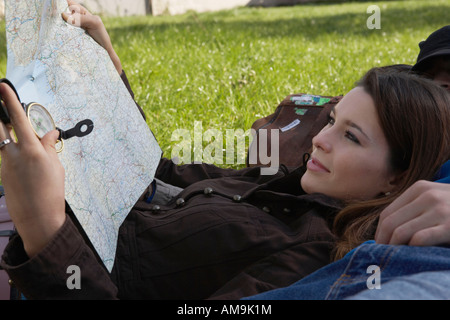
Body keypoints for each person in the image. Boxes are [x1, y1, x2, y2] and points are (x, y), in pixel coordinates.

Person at [1, 3, 450, 300]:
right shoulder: (296, 184)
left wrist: (45, 231)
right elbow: (161, 173)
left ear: (398, 176)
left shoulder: (314, 258)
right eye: (332, 120)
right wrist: (106, 64)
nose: (320, 137)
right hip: (70, 206)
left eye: (351, 136)